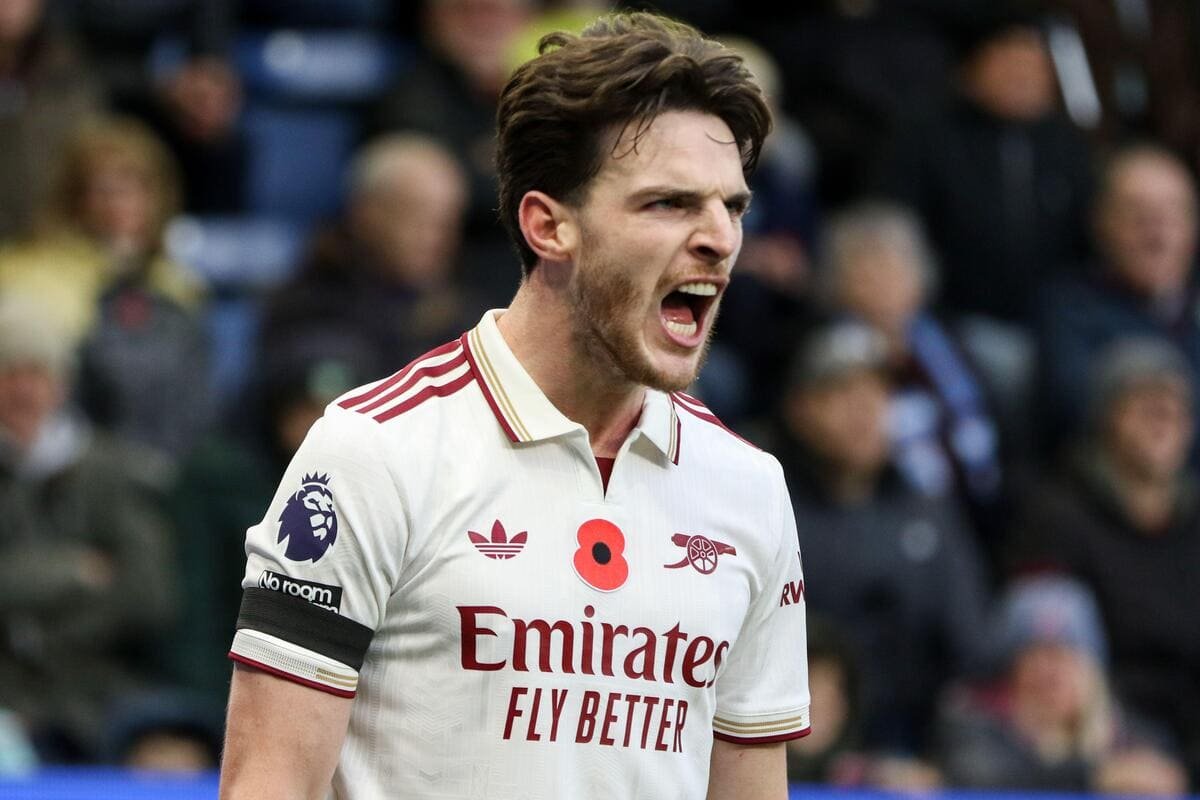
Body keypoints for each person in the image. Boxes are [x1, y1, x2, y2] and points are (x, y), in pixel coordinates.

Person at [220, 12, 810, 800]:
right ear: (548, 225)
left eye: (732, 207)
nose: (720, 239)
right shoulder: (373, 451)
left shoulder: (751, 489)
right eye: (669, 204)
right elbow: (268, 783)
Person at [771, 319, 989, 755]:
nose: (864, 410)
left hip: (912, 751)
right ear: (800, 408)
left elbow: (969, 645)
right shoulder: (767, 502)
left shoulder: (927, 513)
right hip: (793, 743)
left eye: (877, 392)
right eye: (841, 392)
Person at [1008, 336, 1200, 786]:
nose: (1162, 421)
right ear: (1106, 417)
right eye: (1145, 406)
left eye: (1175, 410)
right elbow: (1047, 650)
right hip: (1104, 730)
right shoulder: (1058, 517)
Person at [935, 575, 1187, 795]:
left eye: (1065, 657)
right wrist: (1095, 777)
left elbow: (1166, 774)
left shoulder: (1128, 734)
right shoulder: (972, 722)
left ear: (1092, 671)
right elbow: (974, 777)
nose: (1051, 673)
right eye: (1036, 656)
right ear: (1011, 671)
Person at [1036, 142, 1200, 457]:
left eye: (1172, 214)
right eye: (1138, 216)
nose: (1157, 235)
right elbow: (1079, 410)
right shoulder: (1068, 307)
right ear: (1101, 223)